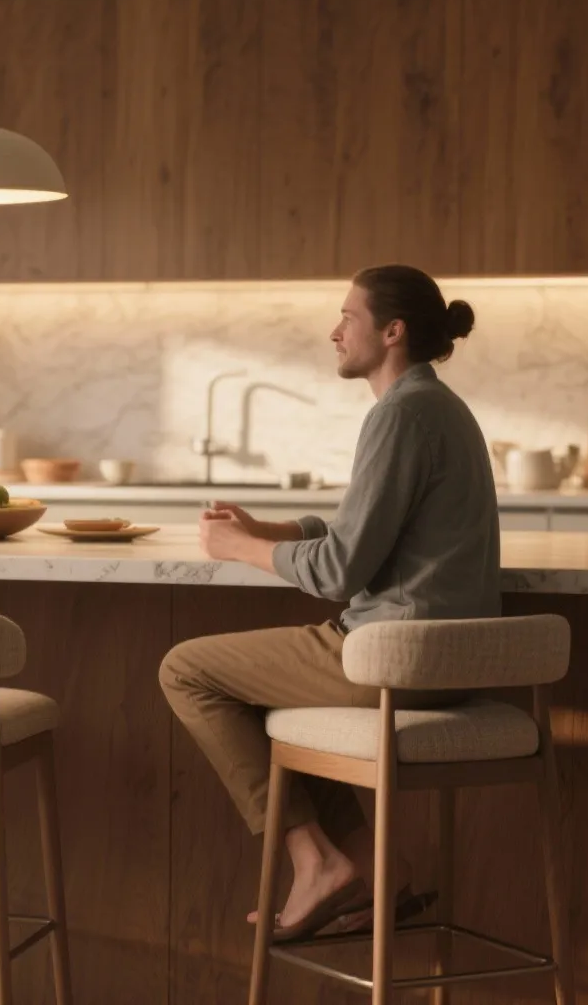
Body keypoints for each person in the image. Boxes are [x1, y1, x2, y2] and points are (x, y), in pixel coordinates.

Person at [158, 264, 499, 941]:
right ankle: (376, 869)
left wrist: (237, 550)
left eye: (348, 317)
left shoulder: (401, 414)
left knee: (186, 671)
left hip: (396, 657)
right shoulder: (434, 407)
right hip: (438, 658)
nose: (334, 331)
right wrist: (272, 532)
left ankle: (314, 861)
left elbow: (340, 569)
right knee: (287, 703)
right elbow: (363, 534)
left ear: (391, 331)